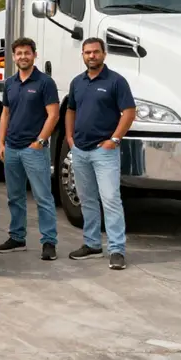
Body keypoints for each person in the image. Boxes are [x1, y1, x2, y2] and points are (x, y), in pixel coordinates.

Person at [66, 37, 136, 270]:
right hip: (80, 150)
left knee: (110, 200)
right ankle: (92, 244)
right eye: (87, 53)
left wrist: (115, 139)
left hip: (104, 151)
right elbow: (70, 110)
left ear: (104, 54)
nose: (91, 56)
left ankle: (116, 249)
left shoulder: (116, 81)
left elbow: (128, 112)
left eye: (95, 52)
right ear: (83, 55)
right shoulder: (77, 82)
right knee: (87, 199)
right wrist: (69, 138)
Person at [0, 37, 60, 260]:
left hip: (34, 149)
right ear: (13, 57)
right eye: (19, 53)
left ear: (34, 55)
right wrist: (1, 143)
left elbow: (53, 114)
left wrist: (40, 141)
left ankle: (49, 241)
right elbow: (5, 114)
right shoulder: (10, 83)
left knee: (43, 197)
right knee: (15, 197)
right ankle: (17, 237)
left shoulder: (45, 82)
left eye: (27, 53)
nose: (23, 56)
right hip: (12, 148)